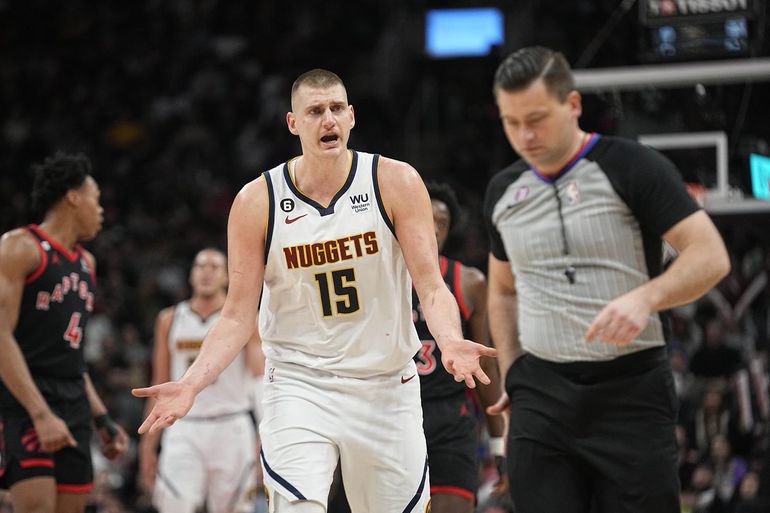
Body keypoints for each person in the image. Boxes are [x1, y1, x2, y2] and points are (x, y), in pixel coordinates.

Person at [133, 68, 496, 513]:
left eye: (337, 109)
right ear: (293, 123)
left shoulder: (395, 181)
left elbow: (432, 287)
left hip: (385, 384)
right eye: (316, 111)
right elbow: (237, 315)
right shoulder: (256, 200)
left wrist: (451, 340)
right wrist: (192, 383)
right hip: (299, 383)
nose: (329, 120)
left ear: (352, 116)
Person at [483, 46, 730, 513]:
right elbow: (502, 290)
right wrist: (514, 377)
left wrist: (646, 298)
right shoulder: (503, 191)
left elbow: (711, 255)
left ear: (573, 105)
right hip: (541, 394)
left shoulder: (633, 166)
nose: (524, 135)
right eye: (511, 122)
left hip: (631, 391)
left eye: (536, 119)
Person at [0, 152, 129, 513]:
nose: (100, 211)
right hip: (25, 398)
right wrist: (40, 413)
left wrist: (101, 418)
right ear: (73, 197)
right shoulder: (20, 247)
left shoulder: (87, 263)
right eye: (96, 199)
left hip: (72, 401)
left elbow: (72, 357)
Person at [138, 248, 263, 513]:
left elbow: (259, 378)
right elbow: (159, 383)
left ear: (227, 276)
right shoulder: (170, 319)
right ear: (191, 275)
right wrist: (147, 446)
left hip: (232, 425)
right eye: (200, 266)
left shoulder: (245, 319)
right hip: (182, 426)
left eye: (214, 267)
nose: (206, 272)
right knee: (174, 506)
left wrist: (265, 436)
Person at [415, 182, 507, 512]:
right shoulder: (376, 278)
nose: (433, 229)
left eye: (442, 223)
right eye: (425, 218)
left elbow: (486, 368)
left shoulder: (467, 282)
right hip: (392, 412)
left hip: (450, 418)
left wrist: (499, 445)